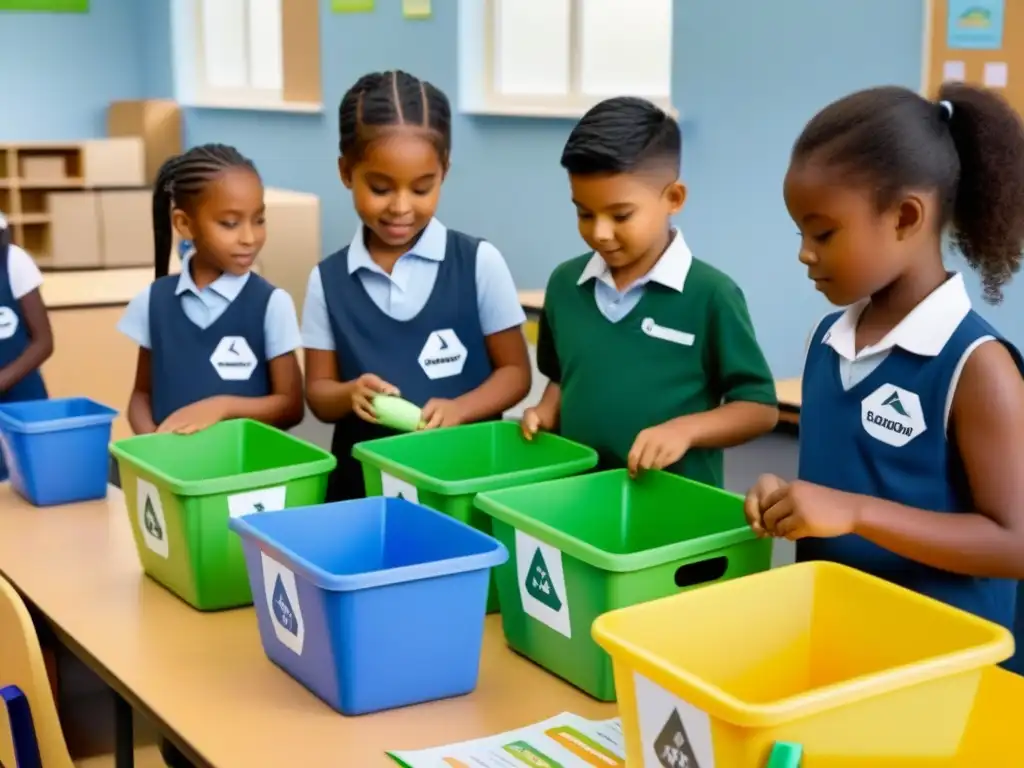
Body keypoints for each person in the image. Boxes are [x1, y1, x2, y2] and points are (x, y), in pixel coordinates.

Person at [745, 83, 1024, 637]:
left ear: (905, 217)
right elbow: (839, 482)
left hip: (939, 671)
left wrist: (855, 513)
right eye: (799, 232)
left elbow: (1014, 544)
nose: (804, 252)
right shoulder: (825, 340)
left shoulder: (978, 367)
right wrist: (787, 499)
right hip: (835, 641)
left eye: (823, 232)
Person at [522, 96, 778, 486]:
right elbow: (563, 379)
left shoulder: (713, 295)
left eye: (621, 215)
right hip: (578, 503)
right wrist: (545, 410)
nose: (600, 232)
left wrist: (684, 430)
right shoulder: (563, 285)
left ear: (673, 198)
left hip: (674, 519)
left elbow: (758, 408)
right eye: (584, 213)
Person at [302, 70, 532, 502]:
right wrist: (349, 393)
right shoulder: (327, 281)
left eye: (422, 188)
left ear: (443, 171)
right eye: (380, 188)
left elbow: (516, 374)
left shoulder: (478, 263)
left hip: (466, 487)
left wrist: (461, 408)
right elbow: (318, 393)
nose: (401, 207)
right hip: (363, 492)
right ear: (345, 171)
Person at [117, 144, 304, 440]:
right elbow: (141, 395)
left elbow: (291, 407)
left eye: (259, 219)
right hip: (173, 473)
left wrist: (224, 407)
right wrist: (153, 443)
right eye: (230, 223)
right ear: (184, 224)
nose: (249, 238)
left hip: (247, 476)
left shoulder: (271, 304)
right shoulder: (154, 301)